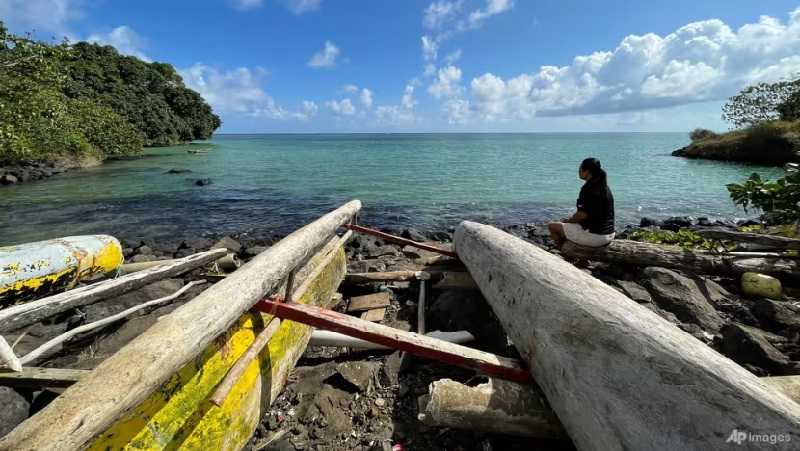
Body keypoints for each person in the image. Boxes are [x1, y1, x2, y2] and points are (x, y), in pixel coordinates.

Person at [548, 157, 615, 249]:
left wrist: (568, 221)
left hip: (596, 237)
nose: (578, 172)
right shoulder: (604, 187)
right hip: (610, 234)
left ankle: (562, 252)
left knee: (552, 226)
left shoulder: (588, 189)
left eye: (580, 169)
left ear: (587, 171)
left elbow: (581, 215)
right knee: (569, 225)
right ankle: (581, 259)